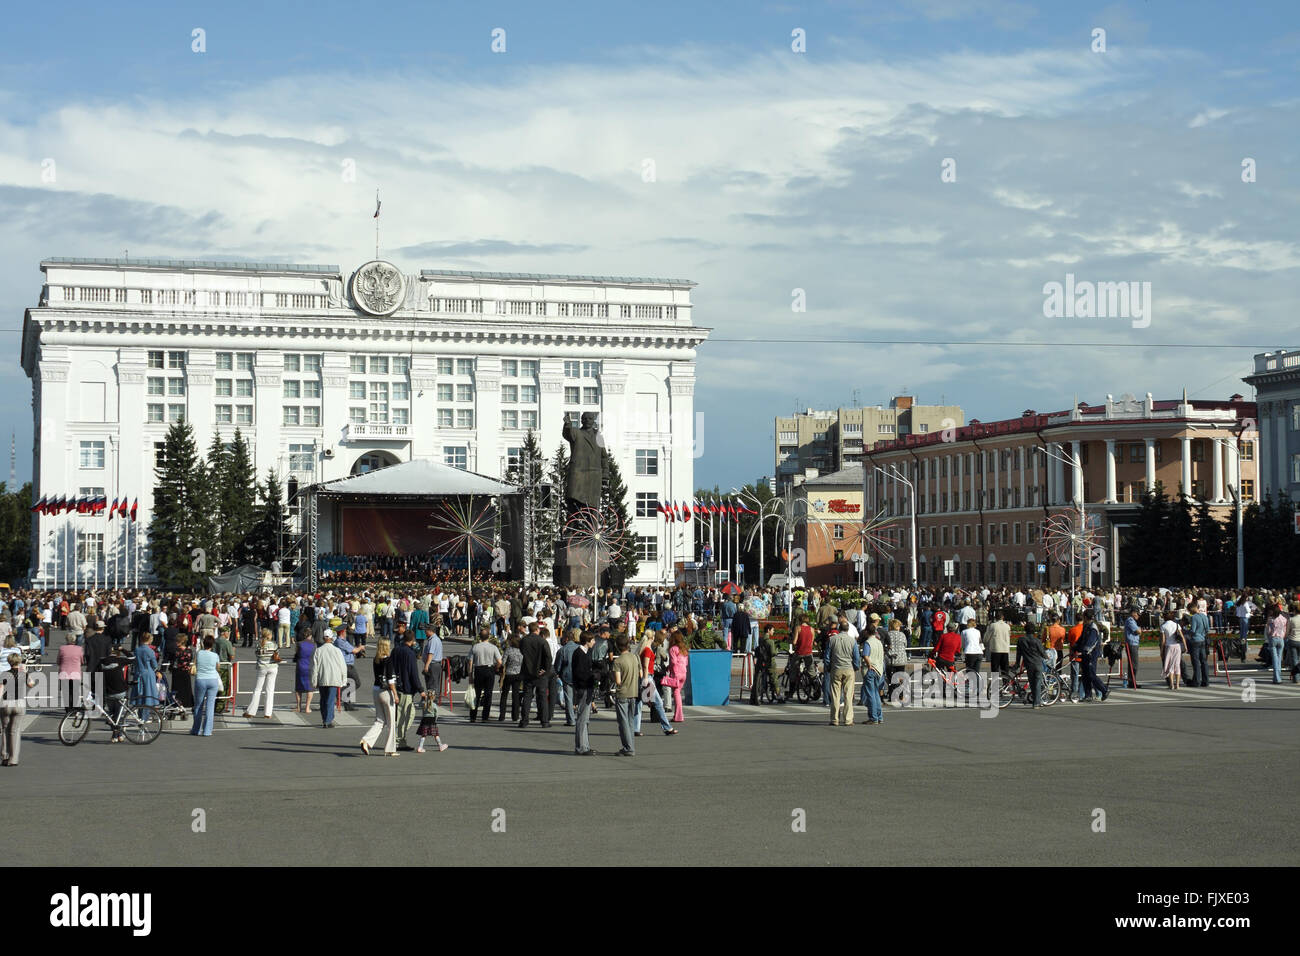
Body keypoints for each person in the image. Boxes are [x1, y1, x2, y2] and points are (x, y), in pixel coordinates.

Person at [360, 638, 399, 756]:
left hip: (376, 689)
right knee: (391, 722)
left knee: (380, 720)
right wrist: (395, 694)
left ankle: (366, 740)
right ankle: (390, 749)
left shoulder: (376, 659)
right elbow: (391, 680)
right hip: (386, 691)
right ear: (387, 646)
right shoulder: (388, 660)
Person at [392, 628, 423, 750]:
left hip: (396, 685)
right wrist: (420, 689)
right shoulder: (410, 653)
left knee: (400, 715)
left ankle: (400, 740)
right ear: (413, 640)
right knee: (408, 716)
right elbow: (413, 674)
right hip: (406, 688)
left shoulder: (396, 650)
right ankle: (398, 740)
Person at [1, 653, 34, 765]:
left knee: (5, 729)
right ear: (19, 662)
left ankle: (5, 755)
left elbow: (1, 689)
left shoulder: (4, 674)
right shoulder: (23, 674)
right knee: (15, 731)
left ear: (9, 662)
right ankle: (13, 759)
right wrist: (25, 671)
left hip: (6, 703)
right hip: (19, 704)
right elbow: (31, 684)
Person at [825, 624, 861, 726]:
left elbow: (827, 656)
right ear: (848, 629)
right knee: (848, 695)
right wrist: (856, 667)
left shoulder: (832, 640)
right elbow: (856, 657)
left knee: (835, 695)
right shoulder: (852, 641)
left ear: (839, 629)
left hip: (836, 668)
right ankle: (848, 719)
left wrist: (828, 667)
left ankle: (834, 719)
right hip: (849, 668)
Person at [310, 632, 347, 728]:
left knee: (323, 699)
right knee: (330, 700)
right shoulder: (337, 650)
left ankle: (325, 718)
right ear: (331, 638)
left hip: (322, 678)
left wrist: (314, 680)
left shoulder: (318, 650)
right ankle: (328, 720)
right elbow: (343, 666)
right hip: (334, 678)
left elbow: (315, 668)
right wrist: (344, 679)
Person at [519, 623, 553, 729]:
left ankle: (524, 720)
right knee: (542, 697)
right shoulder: (542, 641)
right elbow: (548, 657)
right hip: (540, 672)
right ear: (537, 630)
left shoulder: (524, 640)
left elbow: (522, 651)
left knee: (527, 696)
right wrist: (545, 669)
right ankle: (544, 721)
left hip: (528, 671)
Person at [612, 634, 640, 756]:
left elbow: (618, 681)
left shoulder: (618, 661)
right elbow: (640, 673)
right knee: (630, 721)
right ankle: (630, 746)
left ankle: (628, 748)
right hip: (633, 692)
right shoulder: (635, 657)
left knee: (622, 722)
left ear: (618, 646)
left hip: (623, 693)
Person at [243, 628, 280, 719]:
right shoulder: (274, 644)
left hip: (262, 667)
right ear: (268, 635)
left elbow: (257, 655)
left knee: (257, 689)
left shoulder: (258, 645)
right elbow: (277, 655)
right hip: (272, 667)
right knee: (270, 690)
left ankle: (251, 711)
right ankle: (268, 713)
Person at [572, 631, 598, 755]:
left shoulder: (585, 653)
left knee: (585, 719)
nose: (594, 642)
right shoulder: (579, 654)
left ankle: (585, 745)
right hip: (583, 689)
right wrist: (591, 677)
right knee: (582, 719)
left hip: (586, 688)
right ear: (587, 641)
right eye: (592, 640)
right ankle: (581, 747)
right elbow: (579, 673)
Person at [190, 636, 223, 736]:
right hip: (212, 680)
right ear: (212, 645)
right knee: (210, 705)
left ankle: (196, 729)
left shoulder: (199, 653)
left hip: (200, 679)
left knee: (198, 705)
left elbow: (195, 664)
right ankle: (207, 731)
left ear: (204, 643)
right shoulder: (215, 655)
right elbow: (218, 667)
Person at [1075, 610, 1109, 702]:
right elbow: (1082, 639)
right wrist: (1076, 647)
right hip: (1085, 654)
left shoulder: (1093, 627)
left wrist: (1085, 651)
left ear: (1086, 617)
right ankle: (1088, 695)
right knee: (1085, 675)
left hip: (1091, 654)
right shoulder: (1086, 626)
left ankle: (1104, 690)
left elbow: (1092, 642)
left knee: (1091, 674)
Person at [469, 630, 501, 723]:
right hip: (489, 669)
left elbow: (470, 662)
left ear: (480, 637)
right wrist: (496, 668)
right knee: (488, 694)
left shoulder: (475, 647)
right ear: (489, 637)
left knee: (477, 694)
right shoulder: (493, 647)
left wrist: (470, 674)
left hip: (478, 669)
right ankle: (485, 717)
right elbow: (499, 662)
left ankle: (473, 716)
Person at [1014, 622, 1047, 708]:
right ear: (1034, 631)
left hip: (1029, 664)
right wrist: (1047, 656)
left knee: (1032, 683)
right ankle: (1037, 702)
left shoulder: (1021, 640)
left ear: (1025, 630)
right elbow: (1042, 652)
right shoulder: (1037, 641)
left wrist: (1017, 663)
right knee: (1037, 682)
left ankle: (1035, 701)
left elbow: (1018, 653)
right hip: (1038, 663)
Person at [861, 625, 885, 724]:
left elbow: (866, 655)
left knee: (870, 694)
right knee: (876, 693)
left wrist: (869, 664)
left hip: (871, 669)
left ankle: (873, 717)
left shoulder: (868, 643)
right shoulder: (879, 642)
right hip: (879, 669)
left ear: (867, 632)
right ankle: (879, 717)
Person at [132, 635, 160, 718]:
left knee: (140, 695)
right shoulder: (150, 651)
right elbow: (154, 664)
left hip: (138, 673)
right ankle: (145, 716)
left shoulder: (137, 650)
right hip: (148, 674)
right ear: (149, 640)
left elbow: (135, 662)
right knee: (148, 695)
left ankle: (140, 715)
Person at [497, 635, 524, 723]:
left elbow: (503, 662)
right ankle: (515, 716)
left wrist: (500, 670)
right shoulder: (522, 651)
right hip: (518, 674)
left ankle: (502, 715)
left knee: (504, 695)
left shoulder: (508, 650)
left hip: (508, 674)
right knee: (515, 695)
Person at [664, 632, 690, 722]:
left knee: (676, 693)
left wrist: (669, 668)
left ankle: (678, 716)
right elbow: (686, 662)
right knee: (678, 692)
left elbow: (673, 661)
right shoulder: (684, 649)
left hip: (676, 673)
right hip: (684, 672)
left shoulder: (673, 649)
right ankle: (677, 715)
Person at [56, 634, 84, 713]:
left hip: (64, 673)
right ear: (75, 640)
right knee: (75, 692)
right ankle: (74, 709)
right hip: (75, 673)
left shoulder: (62, 648)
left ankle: (68, 710)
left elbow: (58, 661)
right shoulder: (79, 649)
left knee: (66, 693)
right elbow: (82, 661)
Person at [1161, 610, 1188, 691]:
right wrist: (1185, 646)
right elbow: (1182, 637)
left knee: (1170, 665)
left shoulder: (1163, 626)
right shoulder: (1176, 625)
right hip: (1177, 646)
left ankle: (1171, 684)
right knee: (1177, 665)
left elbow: (1163, 640)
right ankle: (1178, 685)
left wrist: (1161, 651)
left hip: (1169, 646)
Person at [1187, 604, 1211, 687]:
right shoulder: (1204, 616)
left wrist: (1186, 630)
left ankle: (1196, 681)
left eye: (1189, 610)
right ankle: (1206, 681)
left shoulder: (1194, 617)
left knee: (1196, 662)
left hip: (1195, 640)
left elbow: (1193, 630)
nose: (1189, 612)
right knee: (1204, 661)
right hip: (1203, 639)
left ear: (1192, 609)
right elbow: (1208, 629)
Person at [293, 631, 317, 713]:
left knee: (298, 688)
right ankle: (307, 707)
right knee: (310, 688)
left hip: (300, 666)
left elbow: (296, 655)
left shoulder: (299, 644)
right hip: (310, 666)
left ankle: (298, 707)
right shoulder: (314, 645)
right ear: (310, 636)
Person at [985, 609, 1011, 680]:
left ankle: (994, 687)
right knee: (1005, 669)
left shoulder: (993, 625)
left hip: (996, 649)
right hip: (1005, 649)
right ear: (1003, 617)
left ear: (995, 617)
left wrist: (985, 643)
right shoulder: (1007, 626)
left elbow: (986, 638)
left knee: (995, 669)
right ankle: (1006, 685)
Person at [1122, 609, 1143, 688]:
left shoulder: (1132, 621)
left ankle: (1132, 681)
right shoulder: (1130, 620)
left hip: (1133, 644)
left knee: (1133, 664)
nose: (1138, 615)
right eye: (1137, 613)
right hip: (1132, 644)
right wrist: (1139, 630)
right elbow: (1138, 631)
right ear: (1133, 613)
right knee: (1134, 664)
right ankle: (1132, 682)